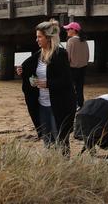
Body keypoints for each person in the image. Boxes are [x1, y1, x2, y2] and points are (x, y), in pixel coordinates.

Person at [16, 19, 75, 156]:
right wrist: (22, 72)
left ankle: (65, 167)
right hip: (42, 105)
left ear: (48, 38)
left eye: (39, 37)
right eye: (36, 37)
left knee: (61, 140)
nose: (37, 40)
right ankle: (52, 167)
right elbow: (30, 76)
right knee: (47, 140)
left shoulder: (60, 55)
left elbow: (66, 81)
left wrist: (48, 84)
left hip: (59, 106)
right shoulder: (37, 56)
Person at [64, 21, 88, 109]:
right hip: (83, 68)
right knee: (79, 87)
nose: (66, 31)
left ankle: (72, 105)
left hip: (73, 68)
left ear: (74, 30)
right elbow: (87, 55)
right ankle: (80, 104)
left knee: (70, 88)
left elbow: (68, 57)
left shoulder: (71, 41)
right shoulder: (84, 40)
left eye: (68, 29)